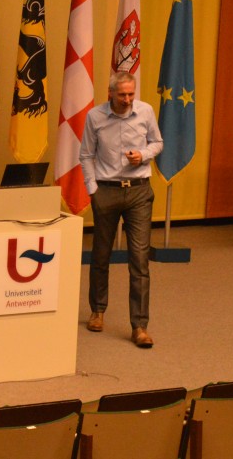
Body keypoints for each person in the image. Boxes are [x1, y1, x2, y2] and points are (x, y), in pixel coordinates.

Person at [79, 71, 163, 348]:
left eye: (131, 94)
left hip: (139, 191)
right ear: (110, 94)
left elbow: (157, 142)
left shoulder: (145, 111)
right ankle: (97, 310)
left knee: (139, 259)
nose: (127, 99)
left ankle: (139, 326)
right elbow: (86, 155)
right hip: (106, 190)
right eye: (122, 95)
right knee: (101, 254)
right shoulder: (95, 117)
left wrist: (144, 155)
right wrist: (93, 189)